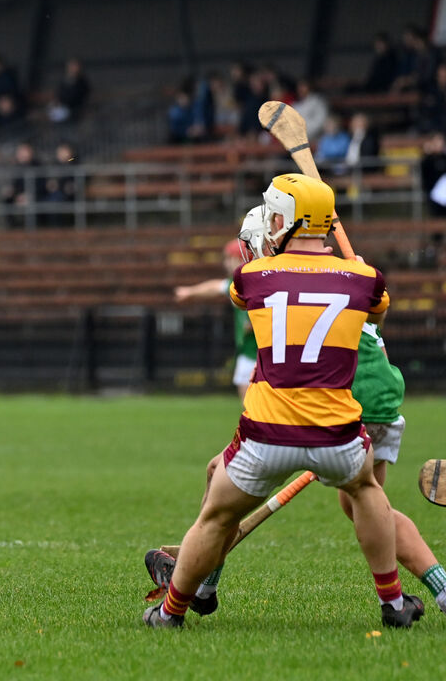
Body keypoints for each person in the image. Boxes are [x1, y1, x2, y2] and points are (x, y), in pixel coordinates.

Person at [142, 174, 421, 629]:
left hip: (266, 434)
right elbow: (379, 310)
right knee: (368, 492)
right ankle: (392, 604)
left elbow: (244, 292)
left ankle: (169, 612)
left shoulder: (252, 277)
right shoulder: (365, 278)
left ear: (280, 219)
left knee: (215, 516)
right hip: (338, 435)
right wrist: (357, 268)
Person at [173, 237, 257, 400]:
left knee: (254, 410)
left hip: (258, 355)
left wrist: (253, 324)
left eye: (228, 258)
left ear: (238, 258)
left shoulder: (251, 283)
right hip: (248, 353)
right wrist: (190, 292)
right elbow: (216, 287)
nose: (225, 263)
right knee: (251, 409)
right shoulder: (237, 283)